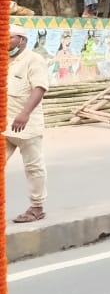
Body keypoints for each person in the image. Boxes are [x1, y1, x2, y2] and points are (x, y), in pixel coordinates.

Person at [7, 25, 49, 223]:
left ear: (22, 40)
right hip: (5, 125)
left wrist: (24, 113)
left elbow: (39, 88)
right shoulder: (5, 60)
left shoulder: (34, 60)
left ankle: (37, 207)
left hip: (27, 125)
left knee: (33, 167)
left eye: (9, 38)